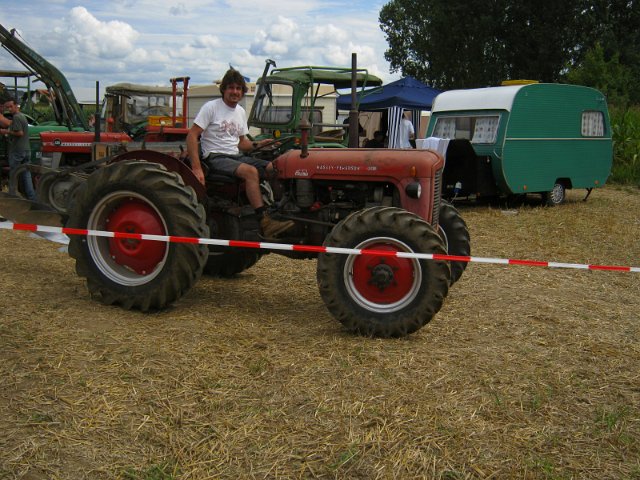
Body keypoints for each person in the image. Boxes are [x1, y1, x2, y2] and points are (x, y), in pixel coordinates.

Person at [186, 68, 294, 239]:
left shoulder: (240, 112)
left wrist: (259, 144)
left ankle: (278, 211)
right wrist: (196, 168)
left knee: (275, 167)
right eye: (231, 87)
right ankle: (265, 222)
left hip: (235, 156)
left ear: (242, 91)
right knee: (250, 172)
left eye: (238, 88)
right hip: (215, 157)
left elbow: (242, 143)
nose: (235, 92)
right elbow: (192, 136)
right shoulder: (211, 107)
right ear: (224, 89)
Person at [0, 99, 36, 201]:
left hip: (18, 151)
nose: (9, 109)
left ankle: (12, 197)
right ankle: (31, 197)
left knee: (14, 174)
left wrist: (6, 131)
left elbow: (20, 133)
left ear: (16, 106)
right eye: (7, 107)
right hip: (26, 149)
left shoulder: (16, 117)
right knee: (26, 174)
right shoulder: (23, 116)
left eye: (11, 106)